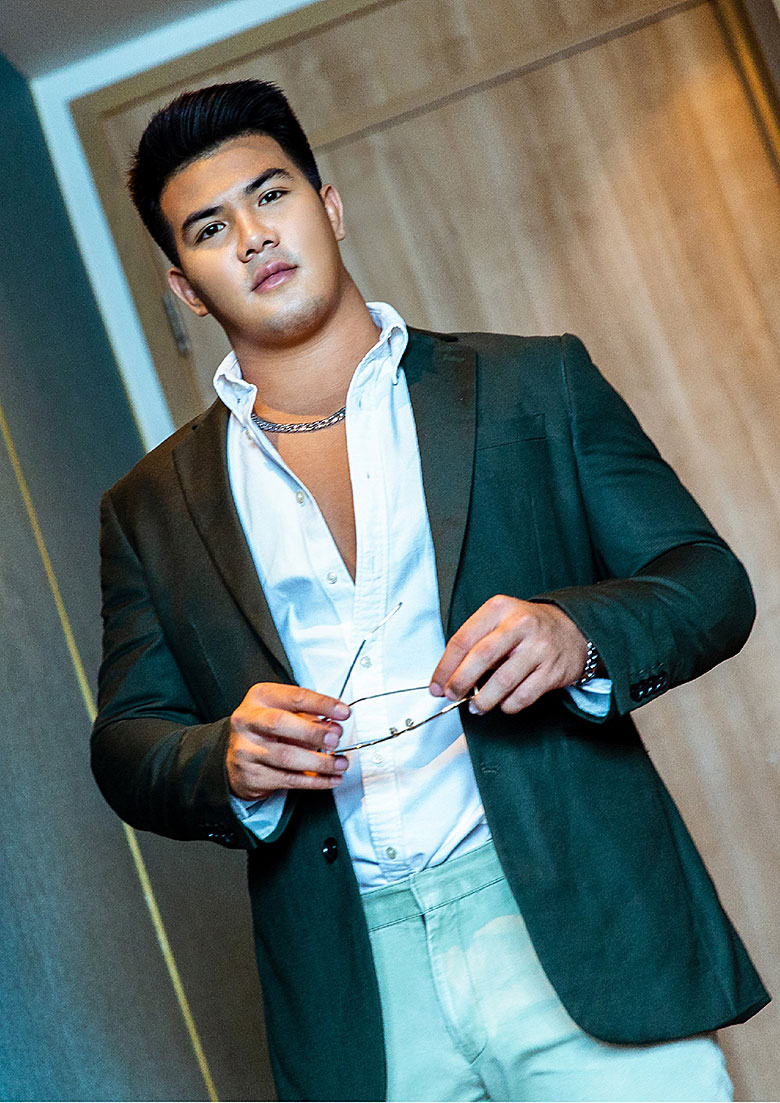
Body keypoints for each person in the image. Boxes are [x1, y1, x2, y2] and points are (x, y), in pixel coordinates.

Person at [91, 79, 769, 1102]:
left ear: (329, 206)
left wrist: (574, 633)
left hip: (576, 923)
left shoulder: (535, 383)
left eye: (271, 196)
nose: (254, 236)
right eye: (211, 227)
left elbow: (711, 583)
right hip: (355, 990)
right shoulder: (147, 506)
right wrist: (220, 755)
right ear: (186, 288)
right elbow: (126, 740)